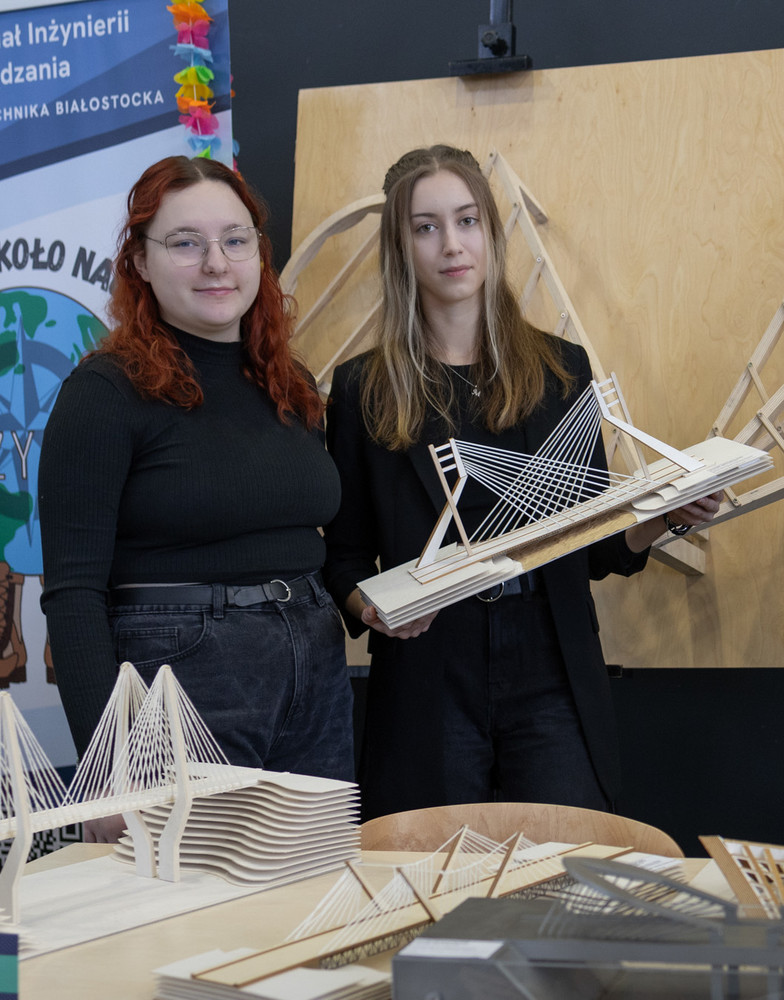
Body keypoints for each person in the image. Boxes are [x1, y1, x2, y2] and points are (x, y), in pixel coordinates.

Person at [322, 145, 717, 821]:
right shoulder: (363, 388)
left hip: (551, 659)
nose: (452, 244)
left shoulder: (562, 369)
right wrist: (370, 609)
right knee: (435, 868)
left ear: (491, 233)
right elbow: (345, 556)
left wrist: (670, 514)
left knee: (567, 861)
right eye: (426, 227)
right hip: (427, 666)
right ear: (400, 247)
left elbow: (596, 547)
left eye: (467, 220)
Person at [40, 157, 351, 835]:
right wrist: (107, 768)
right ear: (140, 262)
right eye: (186, 243)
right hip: (181, 679)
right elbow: (72, 593)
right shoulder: (104, 394)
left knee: (313, 881)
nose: (216, 263)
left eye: (235, 240)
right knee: (194, 890)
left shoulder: (289, 384)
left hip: (316, 666)